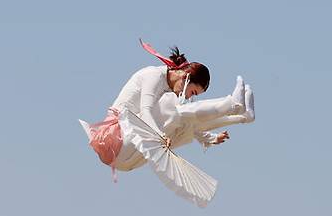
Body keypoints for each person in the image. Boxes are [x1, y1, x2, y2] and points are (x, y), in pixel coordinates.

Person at [80, 40, 255, 178]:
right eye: (192, 91)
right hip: (116, 140)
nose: (188, 96)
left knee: (183, 119)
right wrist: (160, 136)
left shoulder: (172, 94)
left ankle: (242, 116)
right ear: (185, 76)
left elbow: (189, 120)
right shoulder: (154, 75)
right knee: (176, 108)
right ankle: (233, 105)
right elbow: (146, 110)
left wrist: (211, 139)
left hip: (129, 158)